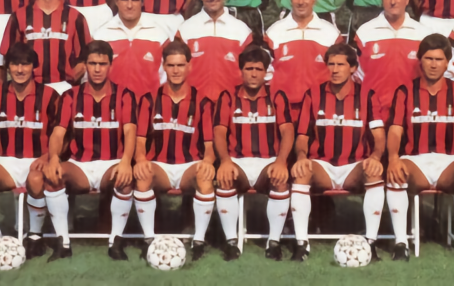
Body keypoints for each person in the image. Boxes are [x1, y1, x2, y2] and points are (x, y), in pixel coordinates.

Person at [385, 34, 454, 263]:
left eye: (439, 59)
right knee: (396, 174)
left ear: (447, 62)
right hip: (415, 160)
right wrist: (393, 158)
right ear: (420, 60)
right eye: (428, 58)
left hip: (448, 161)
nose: (433, 64)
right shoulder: (405, 91)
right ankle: (401, 243)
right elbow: (395, 130)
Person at [43, 40, 137, 262]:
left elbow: (130, 131)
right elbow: (58, 133)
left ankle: (116, 242)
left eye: (102, 64)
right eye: (92, 63)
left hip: (111, 164)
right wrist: (53, 158)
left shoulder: (124, 95)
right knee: (53, 176)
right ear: (85, 65)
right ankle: (63, 243)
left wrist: (126, 162)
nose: (97, 69)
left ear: (110, 65)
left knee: (125, 179)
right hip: (80, 165)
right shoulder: (70, 96)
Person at [290, 44, 386, 262]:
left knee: (374, 171)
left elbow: (379, 136)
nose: (334, 70)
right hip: (322, 166)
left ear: (353, 68)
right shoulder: (313, 95)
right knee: (301, 171)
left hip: (354, 166)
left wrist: (375, 157)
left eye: (340, 65)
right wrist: (302, 157)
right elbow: (302, 136)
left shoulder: (367, 96)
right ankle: (301, 244)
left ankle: (371, 243)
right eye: (331, 64)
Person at [0, 43, 59, 258]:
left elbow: (61, 135)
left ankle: (35, 236)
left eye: (25, 64)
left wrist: (48, 156)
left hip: (38, 161)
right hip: (6, 162)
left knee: (36, 180)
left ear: (33, 66)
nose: (19, 69)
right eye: (15, 64)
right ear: (7, 67)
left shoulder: (49, 96)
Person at [133, 41, 216, 262]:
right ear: (164, 66)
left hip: (189, 165)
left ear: (189, 66)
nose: (176, 70)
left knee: (205, 177)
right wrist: (140, 159)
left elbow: (210, 147)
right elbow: (140, 141)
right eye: (171, 65)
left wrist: (208, 162)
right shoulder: (149, 100)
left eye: (180, 65)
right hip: (159, 165)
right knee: (142, 175)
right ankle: (149, 240)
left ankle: (198, 241)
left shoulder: (203, 102)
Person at [213, 46, 295, 261]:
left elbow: (287, 131)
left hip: (268, 162)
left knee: (280, 181)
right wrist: (224, 161)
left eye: (258, 69)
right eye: (249, 69)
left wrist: (281, 162)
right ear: (241, 70)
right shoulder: (228, 97)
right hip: (238, 162)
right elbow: (219, 132)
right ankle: (231, 242)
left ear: (266, 72)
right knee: (225, 178)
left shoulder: (276, 97)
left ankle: (273, 243)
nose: (253, 74)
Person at [0, 0, 91, 95]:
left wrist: (72, 79)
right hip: (30, 87)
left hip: (64, 86)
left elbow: (86, 55)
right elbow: (8, 53)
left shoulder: (75, 17)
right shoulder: (19, 16)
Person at [352, 0, 431, 123]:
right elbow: (356, 73)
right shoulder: (365, 32)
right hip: (374, 112)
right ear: (382, 0)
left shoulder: (423, 33)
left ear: (407, 0)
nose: (393, 1)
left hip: (412, 112)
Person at [265, 0, 342, 122]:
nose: (301, 2)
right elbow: (265, 71)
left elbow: (340, 72)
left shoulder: (331, 33)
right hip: (283, 110)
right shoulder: (274, 32)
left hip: (320, 109)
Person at [177, 0, 252, 102]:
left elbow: (250, 71)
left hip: (231, 103)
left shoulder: (242, 30)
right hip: (194, 104)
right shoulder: (185, 29)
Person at [94, 0, 169, 100]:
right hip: (112, 104)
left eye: (135, 0)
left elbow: (167, 77)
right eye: (124, 0)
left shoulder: (160, 35)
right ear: (116, 1)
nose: (129, 6)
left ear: (143, 2)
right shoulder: (101, 35)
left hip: (148, 105)